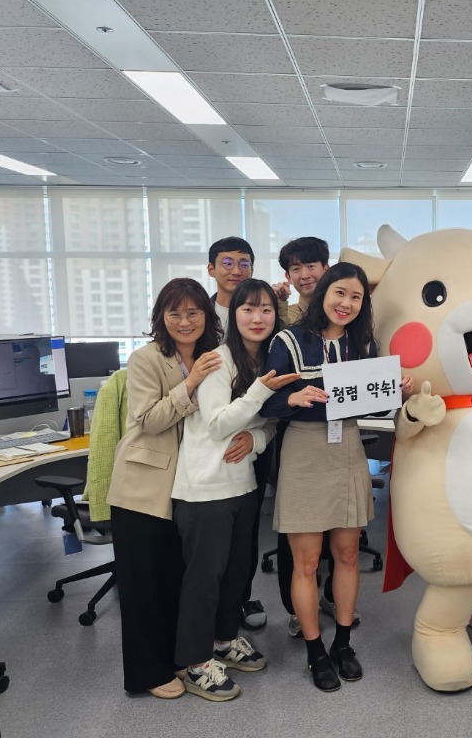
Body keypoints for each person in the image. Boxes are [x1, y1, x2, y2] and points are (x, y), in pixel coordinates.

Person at [172, 279, 300, 701]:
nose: (258, 317)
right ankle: (194, 661)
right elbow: (217, 424)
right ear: (233, 315)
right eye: (248, 309)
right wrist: (263, 389)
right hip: (204, 489)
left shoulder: (267, 359)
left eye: (266, 310)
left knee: (236, 573)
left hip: (242, 484)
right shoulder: (217, 360)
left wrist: (257, 441)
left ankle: (224, 641)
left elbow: (267, 423)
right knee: (204, 579)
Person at [260, 262, 385, 692]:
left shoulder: (361, 344)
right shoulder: (289, 340)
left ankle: (344, 643)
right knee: (307, 561)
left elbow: (374, 403)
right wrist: (292, 397)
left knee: (348, 554)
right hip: (303, 449)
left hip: (347, 447)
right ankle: (315, 651)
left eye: (356, 297)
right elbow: (263, 403)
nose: (346, 303)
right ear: (324, 293)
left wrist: (396, 389)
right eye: (340, 293)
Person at [107, 278, 223, 699]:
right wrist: (190, 384)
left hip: (190, 487)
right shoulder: (146, 359)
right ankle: (146, 673)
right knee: (142, 588)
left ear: (206, 316)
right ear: (162, 317)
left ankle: (176, 659)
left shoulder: (215, 357)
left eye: (194, 312)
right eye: (175, 313)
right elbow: (149, 420)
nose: (185, 321)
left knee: (174, 580)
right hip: (142, 487)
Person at [277, 236, 331, 326]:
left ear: (326, 269)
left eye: (310, 266)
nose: (305, 276)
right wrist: (279, 303)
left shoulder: (340, 311)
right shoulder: (286, 315)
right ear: (288, 277)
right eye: (296, 269)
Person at [207, 237, 255, 333]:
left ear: (252, 271)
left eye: (244, 265)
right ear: (211, 270)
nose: (236, 272)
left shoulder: (262, 313)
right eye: (228, 263)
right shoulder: (202, 313)